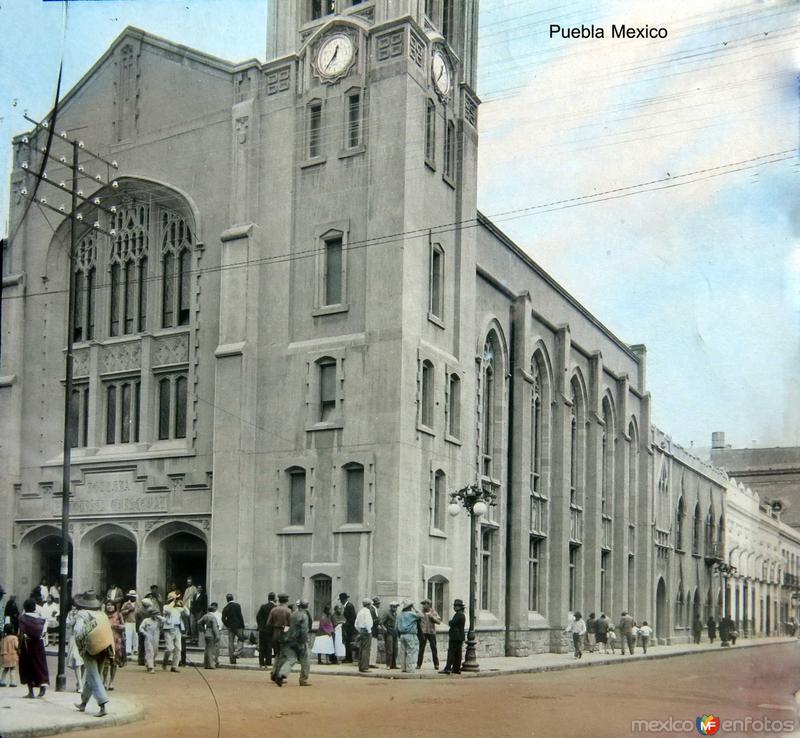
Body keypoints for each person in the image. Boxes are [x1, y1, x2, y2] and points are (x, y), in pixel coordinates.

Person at [72, 590, 113, 717]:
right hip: (105, 647)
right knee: (92, 675)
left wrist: (80, 642)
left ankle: (102, 704)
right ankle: (83, 703)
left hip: (89, 648)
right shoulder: (102, 614)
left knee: (94, 676)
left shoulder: (82, 614)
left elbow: (77, 631)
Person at [275, 600, 312, 687]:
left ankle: (281, 674)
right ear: (306, 607)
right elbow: (304, 630)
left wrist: (285, 636)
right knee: (305, 660)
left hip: (289, 640)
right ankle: (303, 679)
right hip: (299, 641)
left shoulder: (292, 614)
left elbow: (286, 626)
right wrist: (303, 641)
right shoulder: (304, 616)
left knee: (291, 659)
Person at [18, 598, 48, 697]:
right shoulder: (41, 619)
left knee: (27, 666)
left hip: (27, 644)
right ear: (35, 608)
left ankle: (31, 692)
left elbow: (21, 633)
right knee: (40, 665)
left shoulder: (22, 618)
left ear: (25, 608)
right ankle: (43, 686)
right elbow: (43, 632)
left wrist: (19, 647)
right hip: (39, 643)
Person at [267, 594, 292, 682]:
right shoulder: (288, 611)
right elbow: (290, 624)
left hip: (275, 632)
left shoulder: (274, 610)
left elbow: (268, 623)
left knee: (277, 654)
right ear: (286, 600)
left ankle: (273, 672)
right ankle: (278, 674)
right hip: (285, 633)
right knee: (284, 655)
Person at [102, 601, 125, 690]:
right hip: (105, 640)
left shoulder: (119, 615)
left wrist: (116, 626)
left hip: (116, 640)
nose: (110, 607)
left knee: (114, 662)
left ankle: (111, 681)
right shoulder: (103, 615)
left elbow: (124, 626)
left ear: (115, 607)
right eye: (108, 605)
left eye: (111, 605)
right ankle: (104, 681)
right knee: (105, 662)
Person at [439, 599, 466, 675]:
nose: (454, 607)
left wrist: (450, 622)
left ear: (459, 607)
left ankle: (447, 668)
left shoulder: (458, 615)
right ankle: (456, 669)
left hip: (455, 637)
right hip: (460, 637)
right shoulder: (462, 614)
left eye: (455, 606)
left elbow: (452, 623)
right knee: (458, 653)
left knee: (451, 653)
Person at [161, 593, 185, 672]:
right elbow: (167, 610)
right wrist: (173, 601)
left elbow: (187, 613)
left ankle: (174, 666)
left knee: (178, 648)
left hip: (177, 628)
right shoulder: (166, 607)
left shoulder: (178, 609)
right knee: (169, 648)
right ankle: (165, 662)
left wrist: (183, 605)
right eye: (174, 599)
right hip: (168, 629)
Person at [396, 600, 421, 673]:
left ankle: (403, 668)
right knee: (410, 651)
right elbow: (421, 615)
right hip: (410, 634)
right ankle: (409, 668)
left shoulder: (400, 615)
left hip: (402, 635)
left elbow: (396, 626)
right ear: (410, 607)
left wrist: (399, 635)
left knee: (403, 652)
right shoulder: (411, 614)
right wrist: (415, 608)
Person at [417, 598, 441, 670]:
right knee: (421, 649)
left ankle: (436, 664)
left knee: (434, 648)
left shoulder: (433, 612)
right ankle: (418, 664)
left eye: (425, 604)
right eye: (423, 604)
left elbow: (439, 621)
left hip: (431, 632)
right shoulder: (421, 612)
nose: (423, 606)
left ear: (428, 605)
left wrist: (432, 618)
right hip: (423, 633)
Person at [221, 593, 245, 664]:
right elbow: (240, 616)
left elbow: (223, 618)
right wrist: (242, 625)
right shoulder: (237, 605)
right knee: (241, 639)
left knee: (230, 642)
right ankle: (237, 652)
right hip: (238, 626)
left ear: (227, 599)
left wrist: (227, 624)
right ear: (232, 598)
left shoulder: (226, 607)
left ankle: (232, 660)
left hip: (230, 627)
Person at [66, 606, 85, 692]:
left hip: (85, 639)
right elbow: (68, 625)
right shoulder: (72, 614)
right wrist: (73, 617)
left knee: (83, 661)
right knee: (76, 659)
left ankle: (79, 682)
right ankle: (81, 684)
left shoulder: (86, 614)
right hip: (74, 638)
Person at [138, 603, 162, 673]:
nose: (155, 616)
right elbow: (141, 628)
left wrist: (159, 617)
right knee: (149, 651)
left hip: (156, 637)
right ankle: (151, 667)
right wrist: (145, 633)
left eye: (157, 614)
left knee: (155, 652)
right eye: (154, 614)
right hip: (148, 636)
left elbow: (165, 621)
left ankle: (148, 662)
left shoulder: (158, 621)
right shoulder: (146, 620)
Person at [256, 592, 277, 668]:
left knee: (262, 646)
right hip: (271, 629)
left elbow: (258, 617)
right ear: (274, 598)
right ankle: (268, 661)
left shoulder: (263, 607)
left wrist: (260, 625)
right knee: (269, 646)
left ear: (268, 598)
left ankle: (261, 662)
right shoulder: (275, 607)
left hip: (262, 629)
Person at [198, 602, 221, 669]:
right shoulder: (213, 617)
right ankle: (211, 664)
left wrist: (203, 630)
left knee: (207, 649)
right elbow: (214, 627)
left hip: (206, 632)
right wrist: (217, 635)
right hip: (211, 633)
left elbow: (199, 622)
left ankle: (206, 664)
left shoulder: (205, 616)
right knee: (211, 649)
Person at [355, 598, 373, 673]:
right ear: (368, 605)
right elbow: (368, 622)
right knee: (366, 649)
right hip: (366, 631)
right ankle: (365, 667)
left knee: (361, 649)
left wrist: (360, 631)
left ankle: (361, 666)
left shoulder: (360, 611)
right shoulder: (367, 612)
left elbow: (356, 624)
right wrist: (369, 631)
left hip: (361, 630)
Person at [338, 593, 357, 663]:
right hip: (348, 626)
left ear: (344, 600)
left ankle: (349, 658)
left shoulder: (349, 606)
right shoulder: (346, 606)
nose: (340, 601)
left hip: (350, 628)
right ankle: (347, 657)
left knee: (348, 642)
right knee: (347, 642)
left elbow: (353, 617)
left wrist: (346, 624)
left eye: (341, 600)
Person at [381, 601, 399, 669]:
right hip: (389, 632)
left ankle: (394, 665)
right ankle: (388, 664)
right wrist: (384, 629)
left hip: (394, 632)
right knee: (389, 649)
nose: (395, 608)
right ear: (391, 607)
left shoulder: (395, 614)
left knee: (395, 649)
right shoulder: (387, 613)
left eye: (396, 607)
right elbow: (381, 622)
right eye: (394, 606)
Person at [120, 591, 138, 658]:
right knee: (128, 636)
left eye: (134, 597)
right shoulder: (126, 604)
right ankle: (128, 650)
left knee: (136, 636)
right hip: (128, 621)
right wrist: (128, 610)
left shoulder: (138, 604)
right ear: (130, 597)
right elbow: (121, 612)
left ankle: (135, 649)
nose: (133, 598)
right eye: (132, 597)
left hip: (136, 622)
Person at [369, 597, 383, 667]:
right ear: (376, 604)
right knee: (373, 647)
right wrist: (379, 623)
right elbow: (374, 620)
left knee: (373, 647)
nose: (379, 605)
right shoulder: (373, 610)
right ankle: (371, 663)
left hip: (373, 630)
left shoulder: (373, 609)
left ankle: (371, 662)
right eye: (378, 603)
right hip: (373, 631)